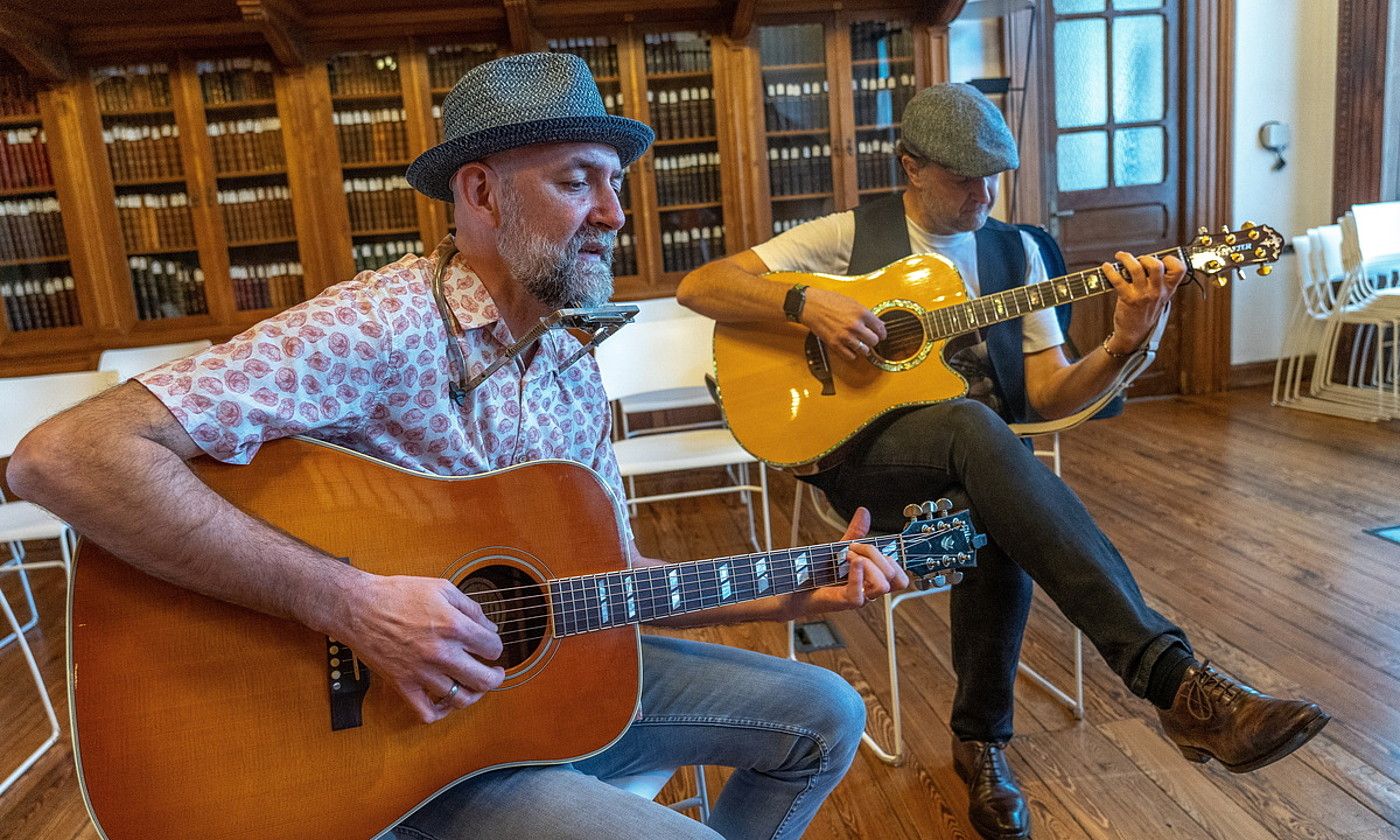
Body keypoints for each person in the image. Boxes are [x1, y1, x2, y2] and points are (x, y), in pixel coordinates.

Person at [7, 53, 911, 840]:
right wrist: (351, 603)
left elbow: (616, 574)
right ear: (478, 193)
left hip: (519, 698)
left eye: (616, 184)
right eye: (577, 181)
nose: (613, 213)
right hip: (396, 744)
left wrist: (782, 594)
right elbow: (64, 457)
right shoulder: (379, 323)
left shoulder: (569, 360)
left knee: (828, 711)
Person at [676, 82, 1330, 840]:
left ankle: (984, 745)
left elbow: (1050, 392)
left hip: (971, 471)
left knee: (988, 476)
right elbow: (702, 284)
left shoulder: (1015, 252)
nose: (985, 195)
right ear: (911, 167)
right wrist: (806, 305)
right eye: (964, 178)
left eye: (997, 176)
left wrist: (1123, 340)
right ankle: (1167, 682)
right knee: (981, 433)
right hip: (859, 459)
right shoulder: (847, 237)